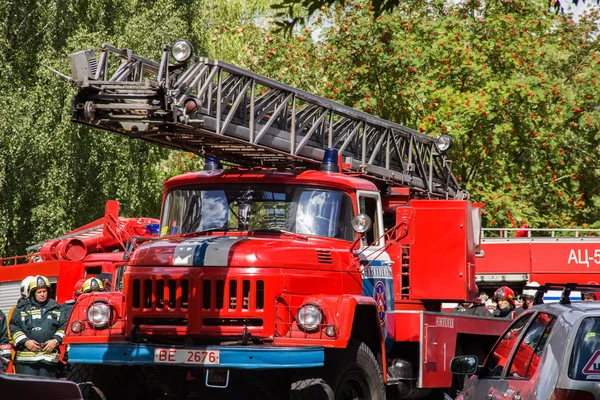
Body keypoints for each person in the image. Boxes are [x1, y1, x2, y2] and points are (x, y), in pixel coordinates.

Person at [9, 275, 66, 377]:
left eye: (44, 291)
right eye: (39, 292)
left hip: (49, 362)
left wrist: (55, 340)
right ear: (33, 293)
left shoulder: (58, 309)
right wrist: (25, 342)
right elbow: (14, 328)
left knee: (47, 391)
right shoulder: (21, 309)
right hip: (26, 363)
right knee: (26, 391)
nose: (42, 294)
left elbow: (64, 327)